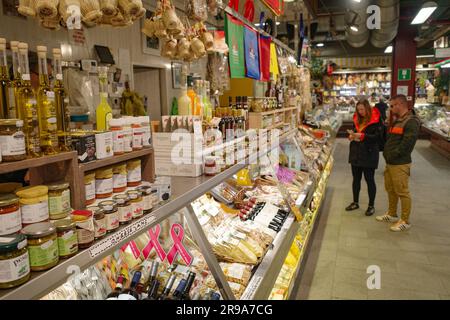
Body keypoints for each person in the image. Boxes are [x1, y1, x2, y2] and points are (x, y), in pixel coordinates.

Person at [376, 94, 420, 232]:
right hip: (391, 162)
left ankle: (405, 221)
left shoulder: (411, 121)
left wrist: (394, 154)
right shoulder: (398, 120)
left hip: (400, 163)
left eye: (392, 105)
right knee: (391, 189)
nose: (390, 108)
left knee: (402, 191)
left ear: (400, 105)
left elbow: (407, 144)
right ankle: (392, 213)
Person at [345, 99, 382, 216]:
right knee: (356, 179)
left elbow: (378, 137)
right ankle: (355, 202)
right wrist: (351, 136)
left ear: (367, 108)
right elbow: (355, 132)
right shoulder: (356, 119)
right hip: (356, 153)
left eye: (362, 109)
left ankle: (371, 205)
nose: (360, 112)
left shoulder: (376, 119)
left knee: (369, 180)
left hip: (369, 153)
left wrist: (363, 136)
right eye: (358, 110)